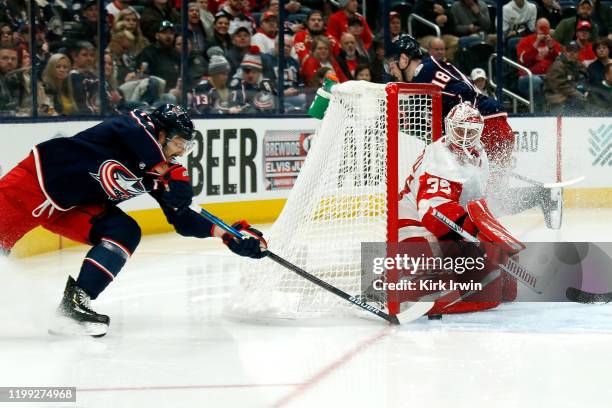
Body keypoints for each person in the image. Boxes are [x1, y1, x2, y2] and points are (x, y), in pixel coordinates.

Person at [0, 104, 267, 337]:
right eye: (177, 144)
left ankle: (74, 305)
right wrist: (168, 171)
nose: (180, 153)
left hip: (70, 207)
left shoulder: (158, 173)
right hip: (34, 184)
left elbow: (182, 219)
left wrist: (227, 234)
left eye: (186, 147)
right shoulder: (136, 127)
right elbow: (133, 128)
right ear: (160, 133)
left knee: (123, 231)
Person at [397, 102, 522, 316]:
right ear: (448, 128)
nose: (464, 137)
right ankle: (398, 283)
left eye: (470, 132)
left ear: (479, 132)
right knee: (427, 291)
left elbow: (475, 201)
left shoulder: (479, 155)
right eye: (459, 130)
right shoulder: (441, 158)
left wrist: (488, 233)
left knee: (501, 284)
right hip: (414, 223)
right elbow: (433, 213)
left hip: (450, 224)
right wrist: (473, 233)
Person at [516, 18, 560, 103]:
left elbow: (560, 62)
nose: (544, 31)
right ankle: (537, 112)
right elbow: (523, 61)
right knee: (536, 81)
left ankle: (559, 113)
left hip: (549, 76)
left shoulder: (554, 42)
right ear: (536, 28)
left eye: (546, 28)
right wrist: (536, 43)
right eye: (541, 28)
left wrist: (551, 48)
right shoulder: (525, 41)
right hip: (528, 76)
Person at [543, 41, 587, 113]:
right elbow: (560, 86)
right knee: (579, 99)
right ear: (564, 52)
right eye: (569, 51)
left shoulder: (577, 64)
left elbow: (585, 77)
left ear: (578, 53)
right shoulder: (557, 65)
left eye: (575, 51)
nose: (572, 53)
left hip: (571, 94)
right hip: (556, 96)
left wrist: (586, 90)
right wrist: (579, 94)